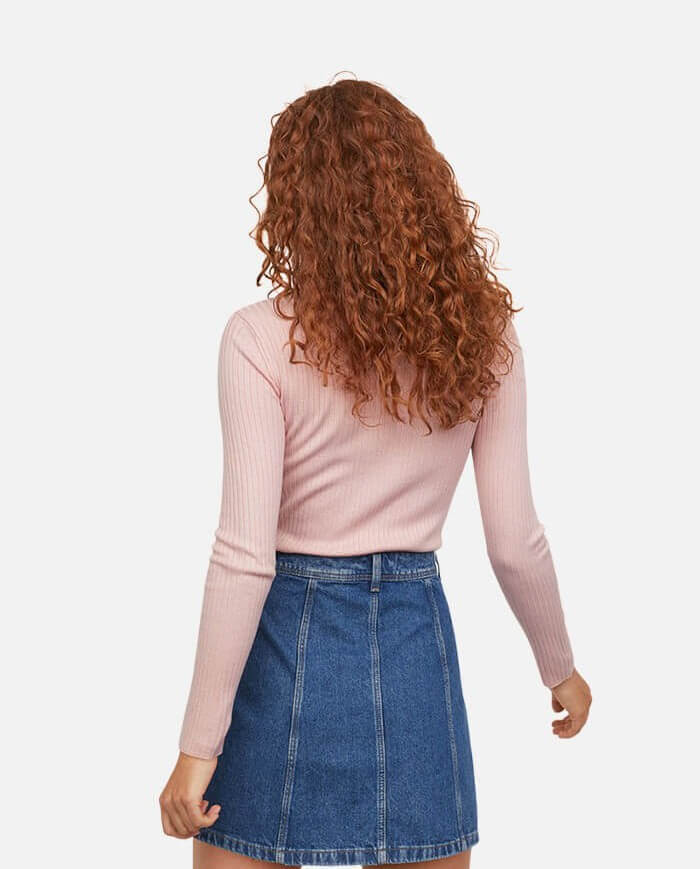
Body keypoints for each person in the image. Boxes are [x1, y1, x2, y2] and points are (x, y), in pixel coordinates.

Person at [159, 77, 592, 869]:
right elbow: (514, 540)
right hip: (413, 642)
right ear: (422, 189)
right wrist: (558, 667)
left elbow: (244, 557)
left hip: (284, 648)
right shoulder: (483, 337)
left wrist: (197, 746)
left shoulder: (259, 339)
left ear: (295, 202)